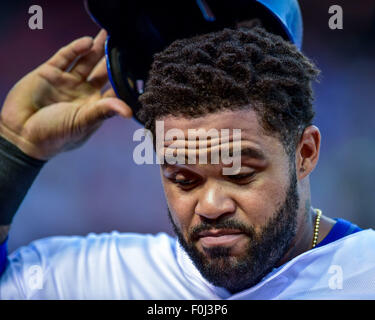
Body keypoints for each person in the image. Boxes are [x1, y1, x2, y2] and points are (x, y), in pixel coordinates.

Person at [0, 24, 374, 300]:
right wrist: (14, 153)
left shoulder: (365, 272)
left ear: (305, 153)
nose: (210, 207)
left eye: (241, 175)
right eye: (184, 180)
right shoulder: (111, 278)